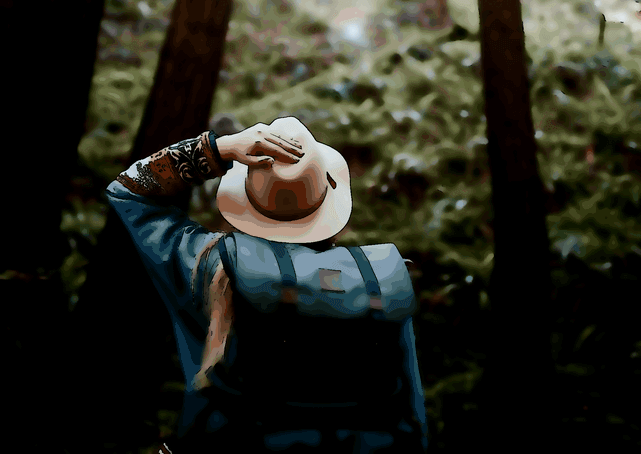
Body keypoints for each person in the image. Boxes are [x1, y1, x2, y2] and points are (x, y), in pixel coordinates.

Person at [106, 114, 428, 452]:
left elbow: (129, 189)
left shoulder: (210, 265)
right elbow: (412, 413)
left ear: (246, 200)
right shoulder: (379, 277)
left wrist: (219, 148)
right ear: (328, 197)